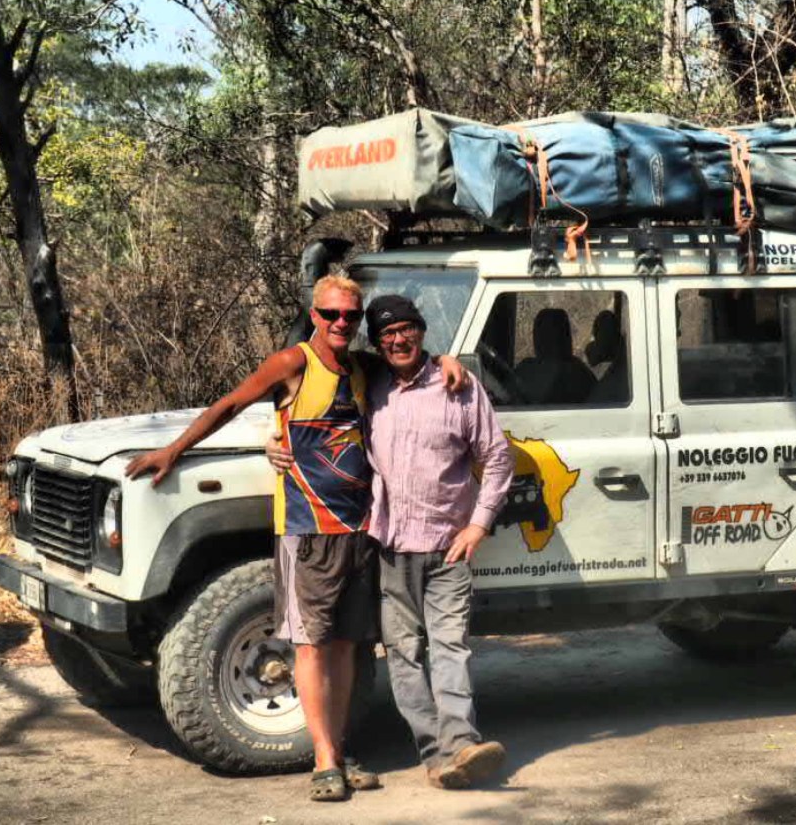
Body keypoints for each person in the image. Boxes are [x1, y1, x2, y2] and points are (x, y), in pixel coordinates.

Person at [125, 275, 464, 802]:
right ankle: (325, 759)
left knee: (348, 645)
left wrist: (446, 361)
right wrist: (176, 451)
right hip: (308, 528)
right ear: (314, 313)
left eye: (351, 317)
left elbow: (407, 353)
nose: (341, 324)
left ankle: (340, 748)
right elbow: (232, 404)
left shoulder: (359, 367)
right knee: (310, 643)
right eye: (331, 315)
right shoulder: (294, 362)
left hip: (357, 528)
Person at [269, 294, 515, 789]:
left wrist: (479, 524)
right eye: (387, 334)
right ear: (377, 343)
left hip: (448, 545)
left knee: (449, 647)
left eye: (407, 330)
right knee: (404, 654)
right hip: (387, 547)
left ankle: (462, 744)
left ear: (422, 332)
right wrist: (272, 438)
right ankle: (436, 758)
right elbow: (308, 404)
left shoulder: (459, 388)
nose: (398, 340)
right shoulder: (370, 385)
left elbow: (498, 457)